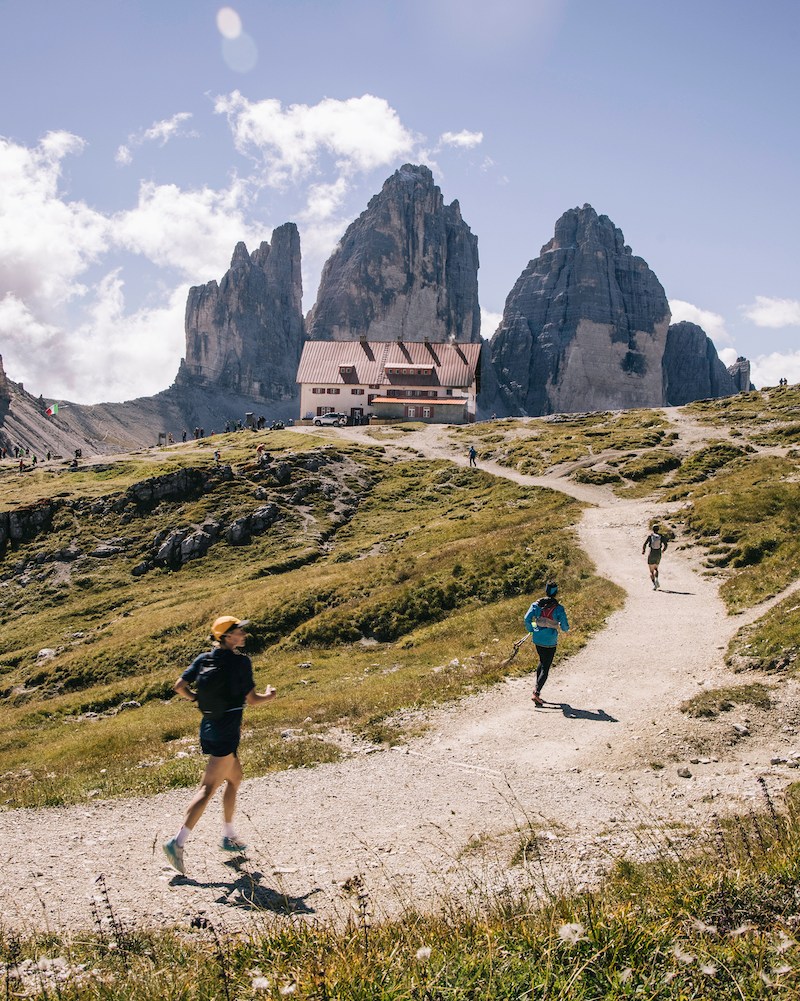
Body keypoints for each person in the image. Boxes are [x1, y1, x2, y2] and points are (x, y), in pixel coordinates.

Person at [162, 616, 276, 875]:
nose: (243, 634)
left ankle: (229, 835)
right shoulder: (240, 662)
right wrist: (270, 696)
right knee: (207, 788)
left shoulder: (204, 659)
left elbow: (180, 687)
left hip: (209, 726)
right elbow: (254, 700)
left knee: (235, 778)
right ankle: (176, 842)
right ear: (226, 636)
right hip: (227, 732)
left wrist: (196, 699)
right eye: (238, 631)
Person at [524, 582, 569, 706]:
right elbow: (565, 626)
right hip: (550, 640)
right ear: (556, 592)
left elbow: (527, 619)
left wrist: (531, 629)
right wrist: (564, 628)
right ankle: (536, 693)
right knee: (546, 666)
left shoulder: (536, 605)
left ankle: (536, 688)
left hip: (537, 639)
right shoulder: (559, 608)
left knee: (542, 661)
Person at [642, 524, 667, 589]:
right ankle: (657, 579)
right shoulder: (661, 536)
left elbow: (645, 544)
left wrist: (643, 551)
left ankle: (654, 584)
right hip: (658, 553)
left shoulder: (650, 536)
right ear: (658, 529)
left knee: (651, 571)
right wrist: (663, 550)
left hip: (652, 553)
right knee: (656, 568)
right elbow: (666, 545)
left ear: (652, 529)